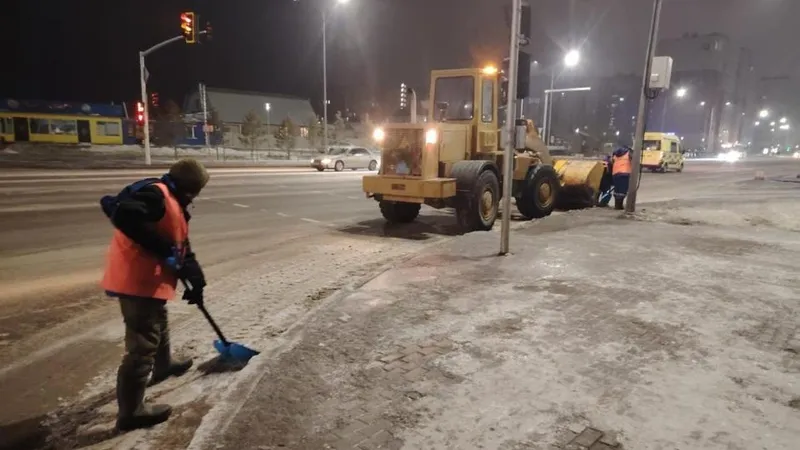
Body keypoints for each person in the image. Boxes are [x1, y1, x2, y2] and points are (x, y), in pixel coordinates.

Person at [100, 158, 210, 431]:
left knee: (158, 323)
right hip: (136, 282)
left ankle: (164, 365)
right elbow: (126, 216)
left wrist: (195, 278)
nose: (195, 196)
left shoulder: (174, 201)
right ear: (186, 187)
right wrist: (164, 250)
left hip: (150, 281)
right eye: (194, 191)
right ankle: (131, 412)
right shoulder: (155, 195)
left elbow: (181, 245)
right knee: (142, 346)